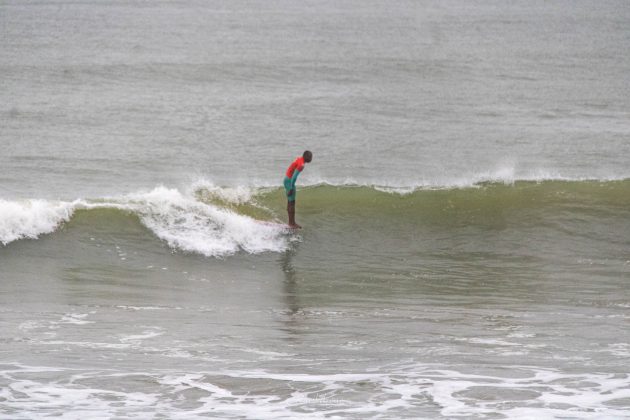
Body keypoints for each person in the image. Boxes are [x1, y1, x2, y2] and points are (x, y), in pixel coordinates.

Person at [284, 150, 313, 228]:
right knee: (292, 203)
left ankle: (291, 222)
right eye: (311, 157)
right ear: (307, 157)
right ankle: (291, 223)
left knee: (290, 202)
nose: (311, 158)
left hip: (287, 179)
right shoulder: (301, 165)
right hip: (290, 181)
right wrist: (291, 187)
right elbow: (294, 177)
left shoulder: (299, 159)